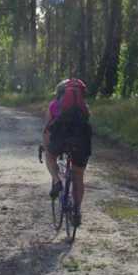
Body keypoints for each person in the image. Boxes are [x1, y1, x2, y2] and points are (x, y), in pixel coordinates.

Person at [42, 78, 92, 226]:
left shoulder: (54, 105)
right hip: (80, 142)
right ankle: (76, 211)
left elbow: (47, 130)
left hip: (60, 140)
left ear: (58, 93)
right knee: (78, 176)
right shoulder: (84, 107)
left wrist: (46, 146)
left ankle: (57, 182)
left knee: (50, 156)